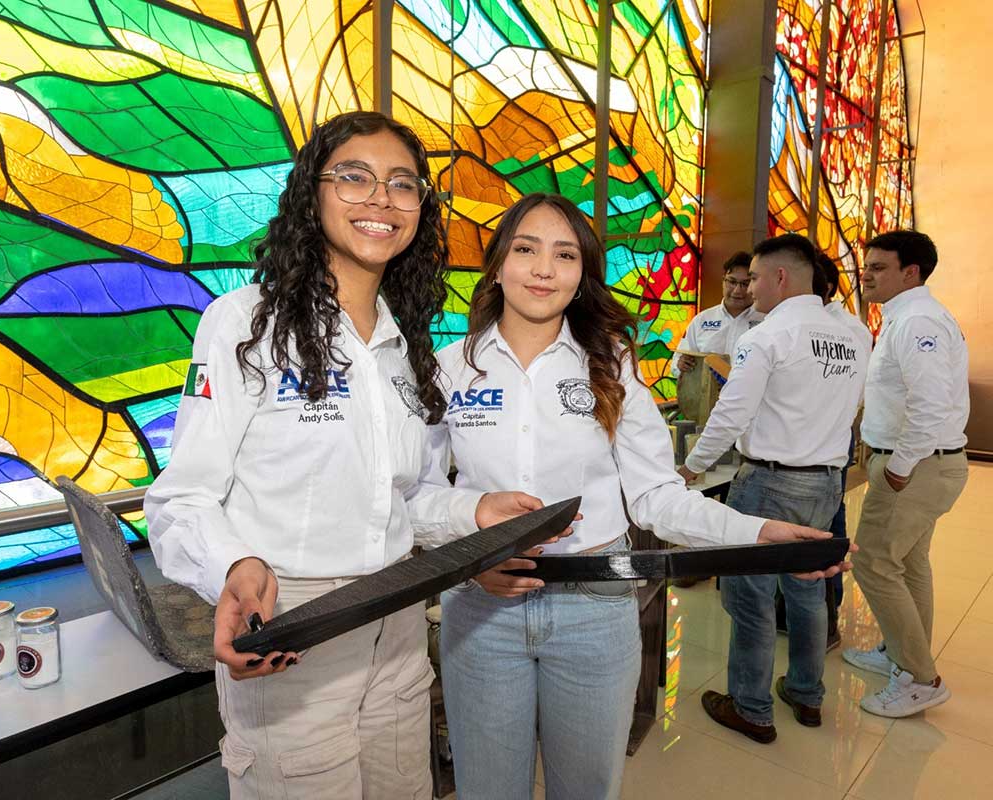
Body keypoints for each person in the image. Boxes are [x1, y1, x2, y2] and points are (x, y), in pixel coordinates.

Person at [144, 111, 529, 799]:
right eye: (354, 176)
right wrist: (234, 567)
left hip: (398, 624)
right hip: (295, 625)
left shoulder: (403, 344)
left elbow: (405, 497)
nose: (381, 198)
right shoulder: (247, 322)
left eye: (403, 184)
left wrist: (477, 511)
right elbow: (184, 495)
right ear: (311, 193)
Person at [420, 196, 849, 799]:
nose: (543, 269)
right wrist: (473, 528)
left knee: (587, 789)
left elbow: (655, 496)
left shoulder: (611, 365)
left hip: (593, 605)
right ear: (496, 266)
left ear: (582, 274)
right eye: (525, 249)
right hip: (482, 605)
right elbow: (416, 496)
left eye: (564, 255)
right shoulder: (447, 370)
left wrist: (758, 532)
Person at [678, 233, 869, 743]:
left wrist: (692, 468)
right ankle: (807, 694)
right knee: (807, 589)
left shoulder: (766, 336)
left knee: (750, 598)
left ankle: (751, 708)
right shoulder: (852, 336)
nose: (750, 289)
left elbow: (730, 413)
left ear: (780, 277)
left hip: (769, 483)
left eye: (757, 278)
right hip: (825, 482)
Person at [842, 230, 969, 718]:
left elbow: (930, 404)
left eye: (878, 267)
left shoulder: (917, 321)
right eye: (866, 266)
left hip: (916, 465)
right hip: (922, 462)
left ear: (911, 272)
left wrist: (898, 468)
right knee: (910, 564)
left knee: (874, 563)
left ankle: (919, 677)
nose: (866, 276)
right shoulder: (906, 316)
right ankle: (901, 654)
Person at [775, 252, 873, 646]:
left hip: (825, 440)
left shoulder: (847, 330)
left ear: (822, 287)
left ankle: (828, 616)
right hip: (812, 441)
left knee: (827, 528)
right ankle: (795, 613)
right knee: (800, 530)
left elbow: (855, 393)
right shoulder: (799, 324)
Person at [671, 251, 766, 377]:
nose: (737, 290)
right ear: (723, 281)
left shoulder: (766, 320)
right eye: (732, 282)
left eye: (745, 284)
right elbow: (676, 365)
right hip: (706, 389)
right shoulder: (701, 320)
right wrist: (680, 364)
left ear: (754, 285)